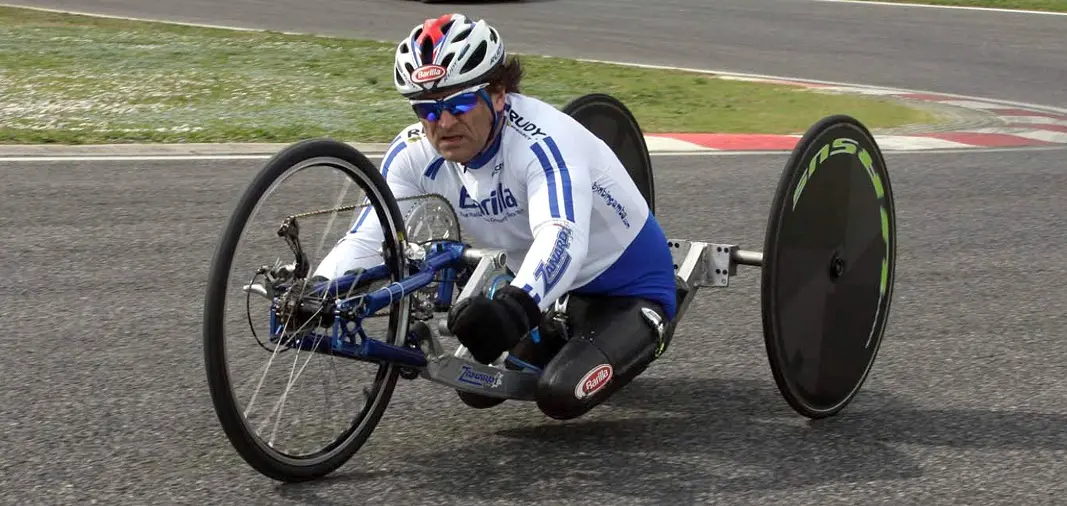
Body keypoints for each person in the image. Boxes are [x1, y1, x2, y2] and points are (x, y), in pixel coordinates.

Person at [313, 13, 679, 420]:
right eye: (427, 109)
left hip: (629, 287)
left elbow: (561, 236)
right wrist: (321, 288)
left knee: (559, 394)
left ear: (499, 93)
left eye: (460, 103)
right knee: (477, 388)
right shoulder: (412, 154)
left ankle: (652, 326)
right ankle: (559, 325)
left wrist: (515, 308)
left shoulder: (544, 143)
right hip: (555, 294)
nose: (444, 123)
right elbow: (368, 239)